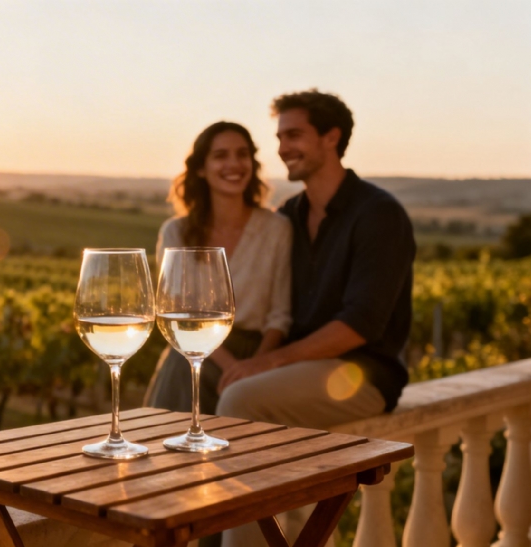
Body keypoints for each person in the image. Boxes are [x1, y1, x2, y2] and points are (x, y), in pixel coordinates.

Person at [213, 90, 415, 546]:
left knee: (240, 399)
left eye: (294, 135)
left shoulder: (379, 215)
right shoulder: (290, 215)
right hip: (301, 371)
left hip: (360, 375)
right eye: (279, 137)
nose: (283, 147)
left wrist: (269, 361)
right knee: (203, 388)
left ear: (331, 137)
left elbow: (362, 323)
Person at [144, 121, 293, 417]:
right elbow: (175, 311)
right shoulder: (176, 232)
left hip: (256, 352)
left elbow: (280, 315)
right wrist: (230, 367)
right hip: (194, 350)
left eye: (242, 154)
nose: (234, 164)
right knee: (181, 366)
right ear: (201, 168)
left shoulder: (277, 228)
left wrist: (255, 366)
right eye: (221, 155)